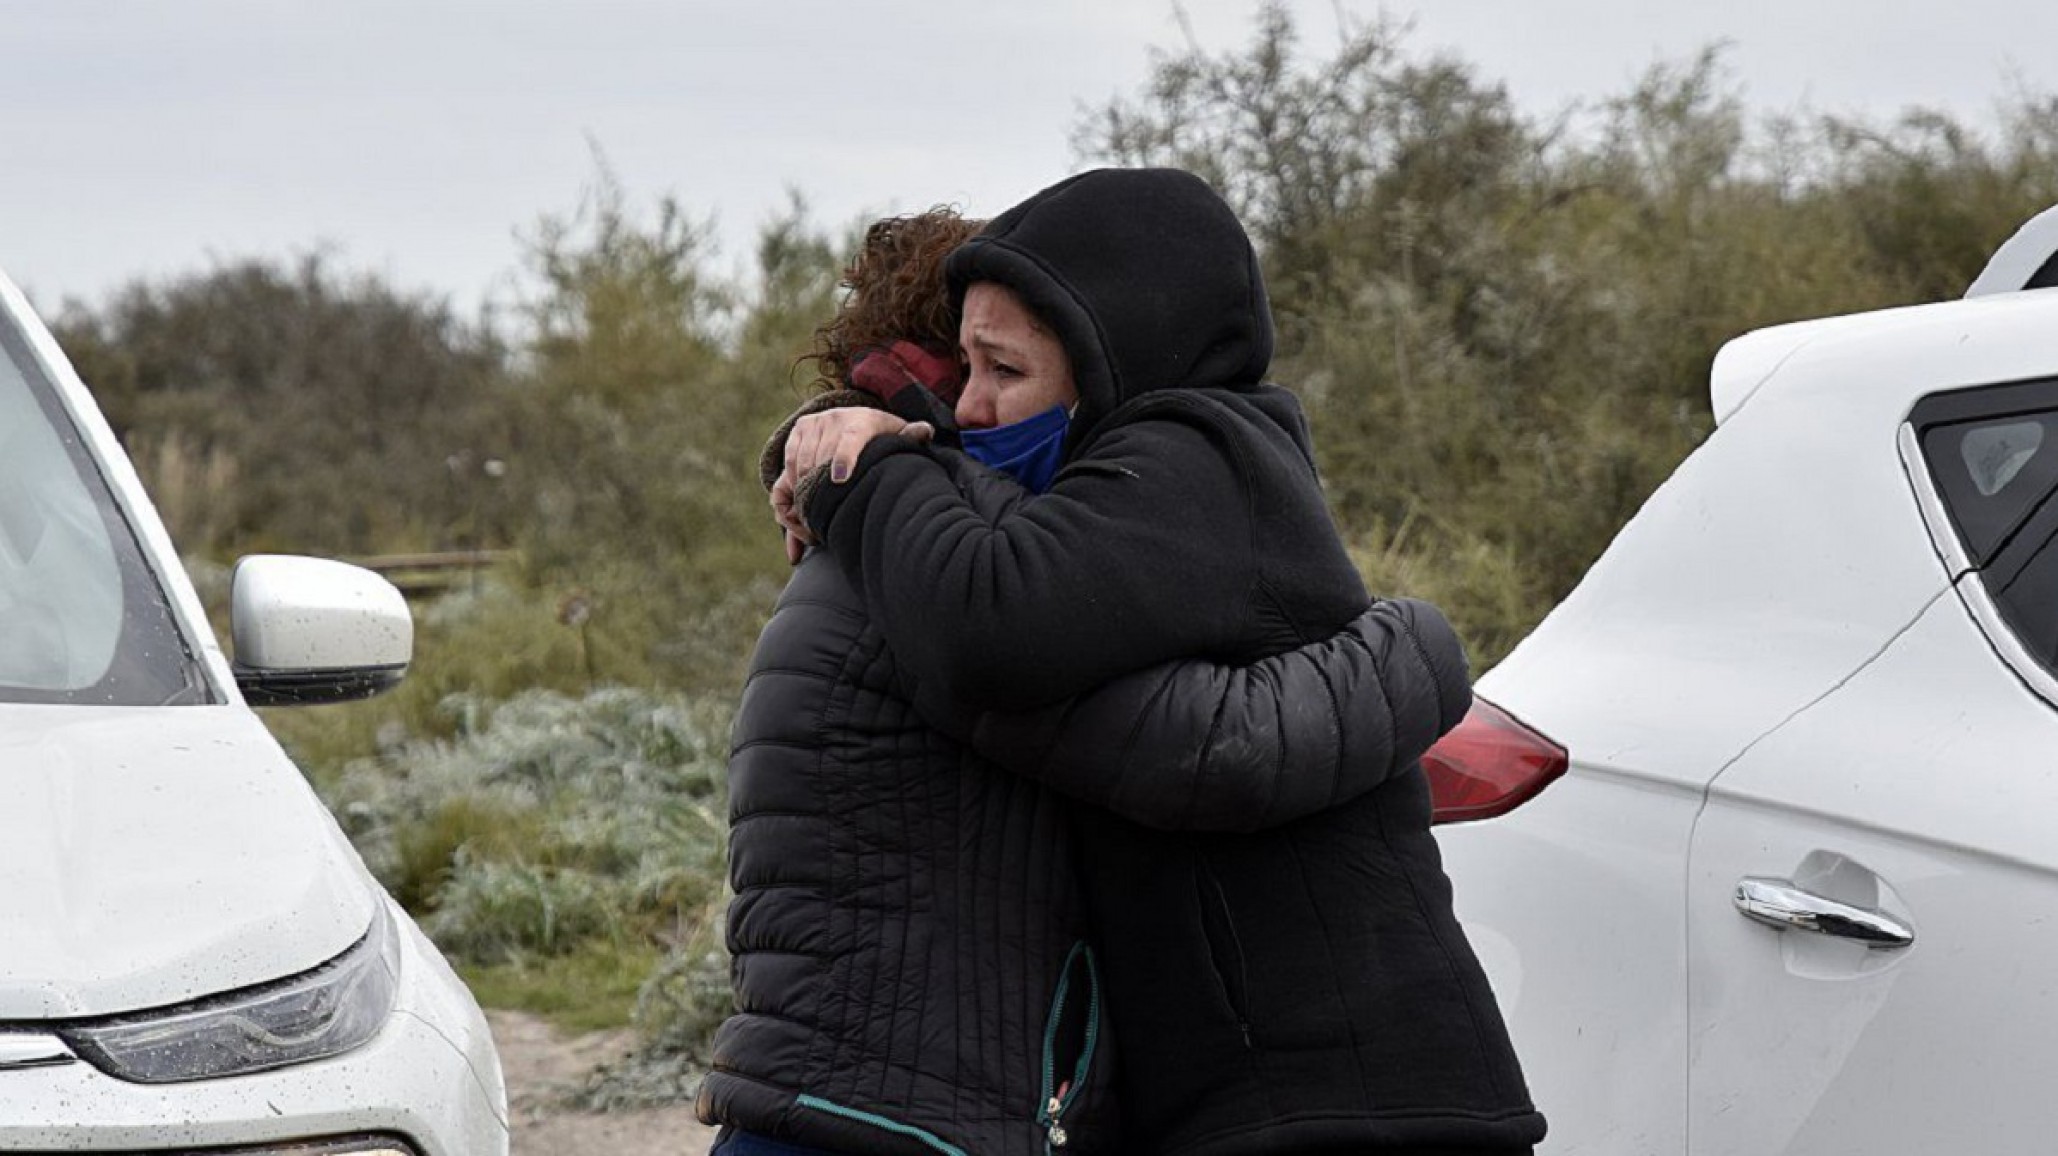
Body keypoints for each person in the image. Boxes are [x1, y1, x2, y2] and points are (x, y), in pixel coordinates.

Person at [780, 169, 1547, 1154]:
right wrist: (822, 439)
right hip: (1272, 1100)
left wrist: (866, 473)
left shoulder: (1198, 457)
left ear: (1110, 358)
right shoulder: (1129, 489)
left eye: (1002, 371)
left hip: (1352, 1100)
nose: (969, 409)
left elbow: (986, 626)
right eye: (959, 372)